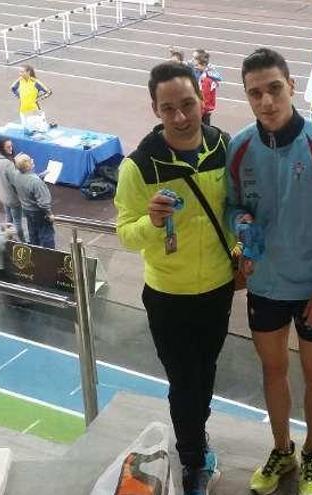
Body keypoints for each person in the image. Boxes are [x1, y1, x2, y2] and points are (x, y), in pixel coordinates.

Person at [226, 48, 312, 495]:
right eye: (255, 93)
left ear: (291, 86)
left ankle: (310, 454)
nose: (266, 101)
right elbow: (232, 206)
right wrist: (239, 225)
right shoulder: (241, 146)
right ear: (247, 97)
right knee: (272, 371)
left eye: (274, 89)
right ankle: (282, 449)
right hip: (265, 285)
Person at [114, 61, 234, 495]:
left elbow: (234, 210)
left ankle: (196, 439)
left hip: (219, 288)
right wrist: (150, 222)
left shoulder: (224, 146)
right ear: (155, 109)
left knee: (204, 372)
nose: (181, 117)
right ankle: (192, 460)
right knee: (184, 381)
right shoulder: (140, 166)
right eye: (170, 109)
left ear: (202, 101)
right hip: (169, 295)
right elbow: (126, 234)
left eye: (188, 104)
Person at [13, 153, 54, 248]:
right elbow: (43, 203)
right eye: (30, 160)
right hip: (38, 212)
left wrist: (40, 176)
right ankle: (50, 255)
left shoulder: (16, 175)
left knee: (33, 233)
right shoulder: (36, 182)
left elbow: (27, 181)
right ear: (27, 165)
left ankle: (35, 251)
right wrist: (49, 214)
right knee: (46, 235)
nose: (32, 160)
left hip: (26, 210)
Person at [0, 138, 24, 242]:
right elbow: (16, 181)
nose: (11, 149)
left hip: (3, 196)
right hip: (13, 199)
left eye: (11, 146)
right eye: (8, 147)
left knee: (8, 218)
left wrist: (13, 161)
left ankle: (8, 237)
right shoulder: (7, 164)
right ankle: (22, 241)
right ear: (2, 148)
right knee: (18, 221)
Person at [190, 49, 222, 126]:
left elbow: (219, 77)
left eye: (194, 58)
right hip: (197, 103)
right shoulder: (193, 68)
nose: (192, 60)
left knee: (204, 125)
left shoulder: (207, 76)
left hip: (204, 107)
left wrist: (206, 72)